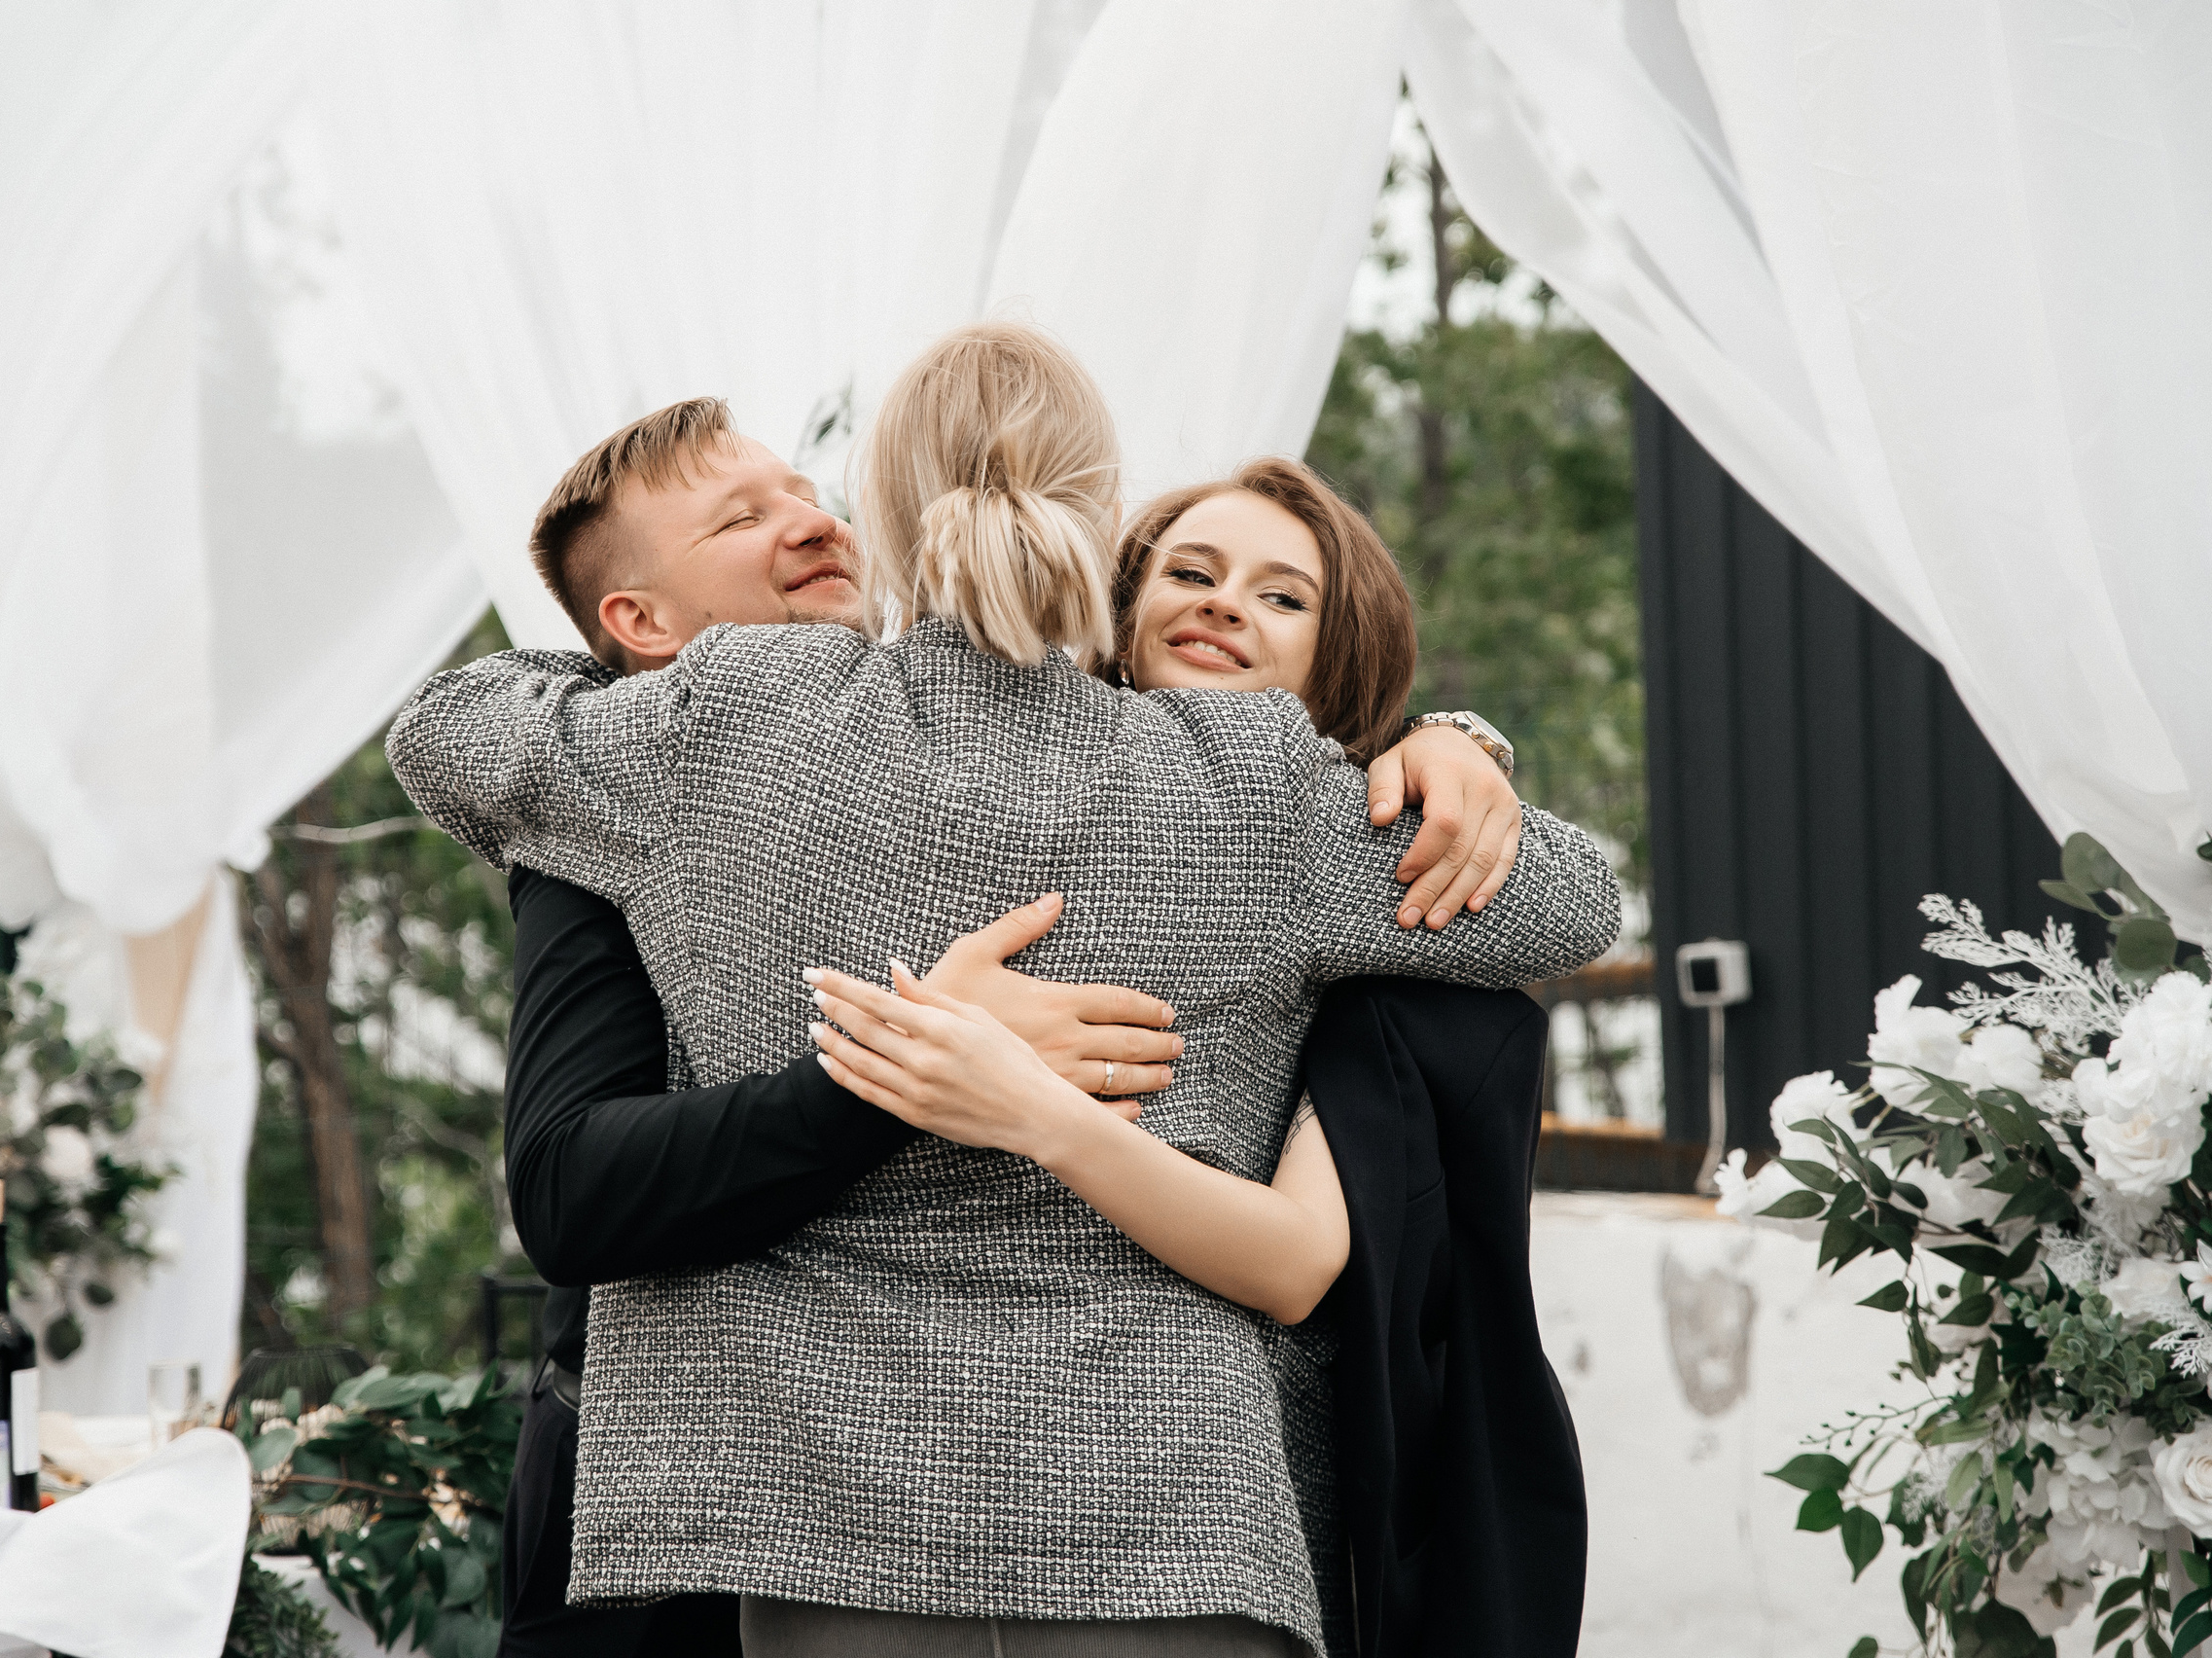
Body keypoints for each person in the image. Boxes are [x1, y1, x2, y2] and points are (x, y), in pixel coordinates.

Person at [394, 321, 1618, 1655]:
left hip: (820, 1505)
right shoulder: (1252, 781)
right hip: (1168, 1504)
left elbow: (442, 733)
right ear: (1105, 526)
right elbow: (1570, 902)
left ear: (884, 518)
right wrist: (1448, 751)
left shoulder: (728, 714)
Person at [805, 456, 1591, 1657]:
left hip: (1197, 1491)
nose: (1226, 602)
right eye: (1190, 572)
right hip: (873, 1458)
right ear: (1115, 606)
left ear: (1337, 659)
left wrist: (1448, 740)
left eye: (1282, 596)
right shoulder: (977, 777)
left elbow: (1577, 901)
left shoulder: (1335, 881)